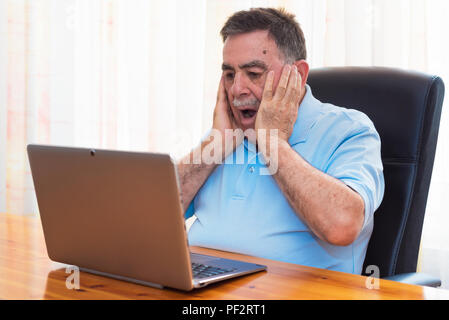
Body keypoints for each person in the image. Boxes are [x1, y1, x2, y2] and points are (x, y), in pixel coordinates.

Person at [177, 7, 384, 274]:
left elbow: (342, 226)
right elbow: (149, 216)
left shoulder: (349, 130)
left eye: (253, 73)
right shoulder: (224, 135)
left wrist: (273, 143)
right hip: (204, 289)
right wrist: (216, 144)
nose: (237, 89)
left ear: (297, 74)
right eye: (229, 74)